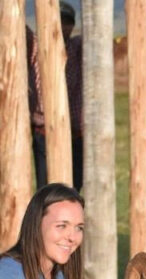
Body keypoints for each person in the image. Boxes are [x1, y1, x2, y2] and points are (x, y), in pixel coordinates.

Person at [27, 2, 83, 191]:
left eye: (68, 22)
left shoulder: (76, 48)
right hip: (44, 131)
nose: (63, 26)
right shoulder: (36, 45)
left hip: (74, 134)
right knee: (46, 189)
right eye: (59, 20)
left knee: (73, 189)